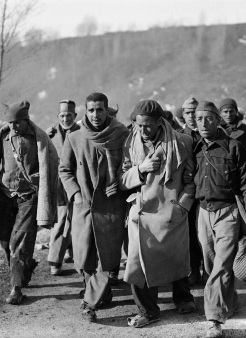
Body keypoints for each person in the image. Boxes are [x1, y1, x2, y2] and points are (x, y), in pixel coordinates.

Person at [0, 101, 58, 305]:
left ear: (26, 119)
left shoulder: (39, 139)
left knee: (19, 243)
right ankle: (25, 267)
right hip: (4, 198)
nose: (14, 126)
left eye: (18, 122)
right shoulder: (3, 137)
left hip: (28, 198)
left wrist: (38, 181)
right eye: (10, 122)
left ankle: (16, 289)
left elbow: (52, 164)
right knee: (5, 240)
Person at [119, 99, 196, 328]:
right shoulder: (130, 143)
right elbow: (122, 180)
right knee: (137, 263)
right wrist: (140, 170)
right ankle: (148, 310)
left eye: (147, 125)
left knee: (177, 257)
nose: (142, 130)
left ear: (159, 122)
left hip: (172, 211)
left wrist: (183, 206)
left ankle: (183, 299)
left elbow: (190, 180)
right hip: (141, 213)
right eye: (139, 125)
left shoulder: (182, 142)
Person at [193, 100, 246, 338]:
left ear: (218, 120)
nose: (203, 123)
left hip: (228, 213)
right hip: (203, 213)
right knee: (211, 265)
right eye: (199, 119)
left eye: (208, 118)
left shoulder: (234, 147)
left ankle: (214, 319)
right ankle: (229, 299)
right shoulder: (194, 147)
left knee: (221, 266)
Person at [59, 92, 129, 322]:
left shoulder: (122, 135)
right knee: (85, 256)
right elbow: (65, 170)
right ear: (85, 111)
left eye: (100, 110)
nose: (95, 114)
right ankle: (100, 292)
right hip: (84, 206)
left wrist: (118, 183)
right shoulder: (75, 138)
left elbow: (130, 166)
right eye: (91, 110)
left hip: (111, 206)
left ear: (107, 111)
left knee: (106, 258)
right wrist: (76, 194)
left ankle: (89, 302)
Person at [45, 100, 80, 276]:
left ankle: (70, 251)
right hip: (58, 185)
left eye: (69, 115)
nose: (65, 118)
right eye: (62, 116)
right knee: (63, 219)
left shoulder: (81, 133)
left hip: (77, 182)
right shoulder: (50, 135)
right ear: (57, 117)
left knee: (75, 219)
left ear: (75, 116)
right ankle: (54, 260)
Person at [178, 96, 204, 285]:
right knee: (189, 235)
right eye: (188, 112)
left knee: (205, 233)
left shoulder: (209, 135)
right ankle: (193, 269)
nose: (192, 116)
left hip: (206, 192)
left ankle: (209, 269)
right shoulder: (177, 137)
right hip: (187, 193)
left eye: (195, 112)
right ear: (183, 115)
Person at [219, 98, 246, 177]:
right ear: (220, 113)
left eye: (231, 111)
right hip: (219, 176)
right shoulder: (215, 130)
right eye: (225, 112)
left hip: (240, 175)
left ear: (236, 111)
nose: (229, 115)